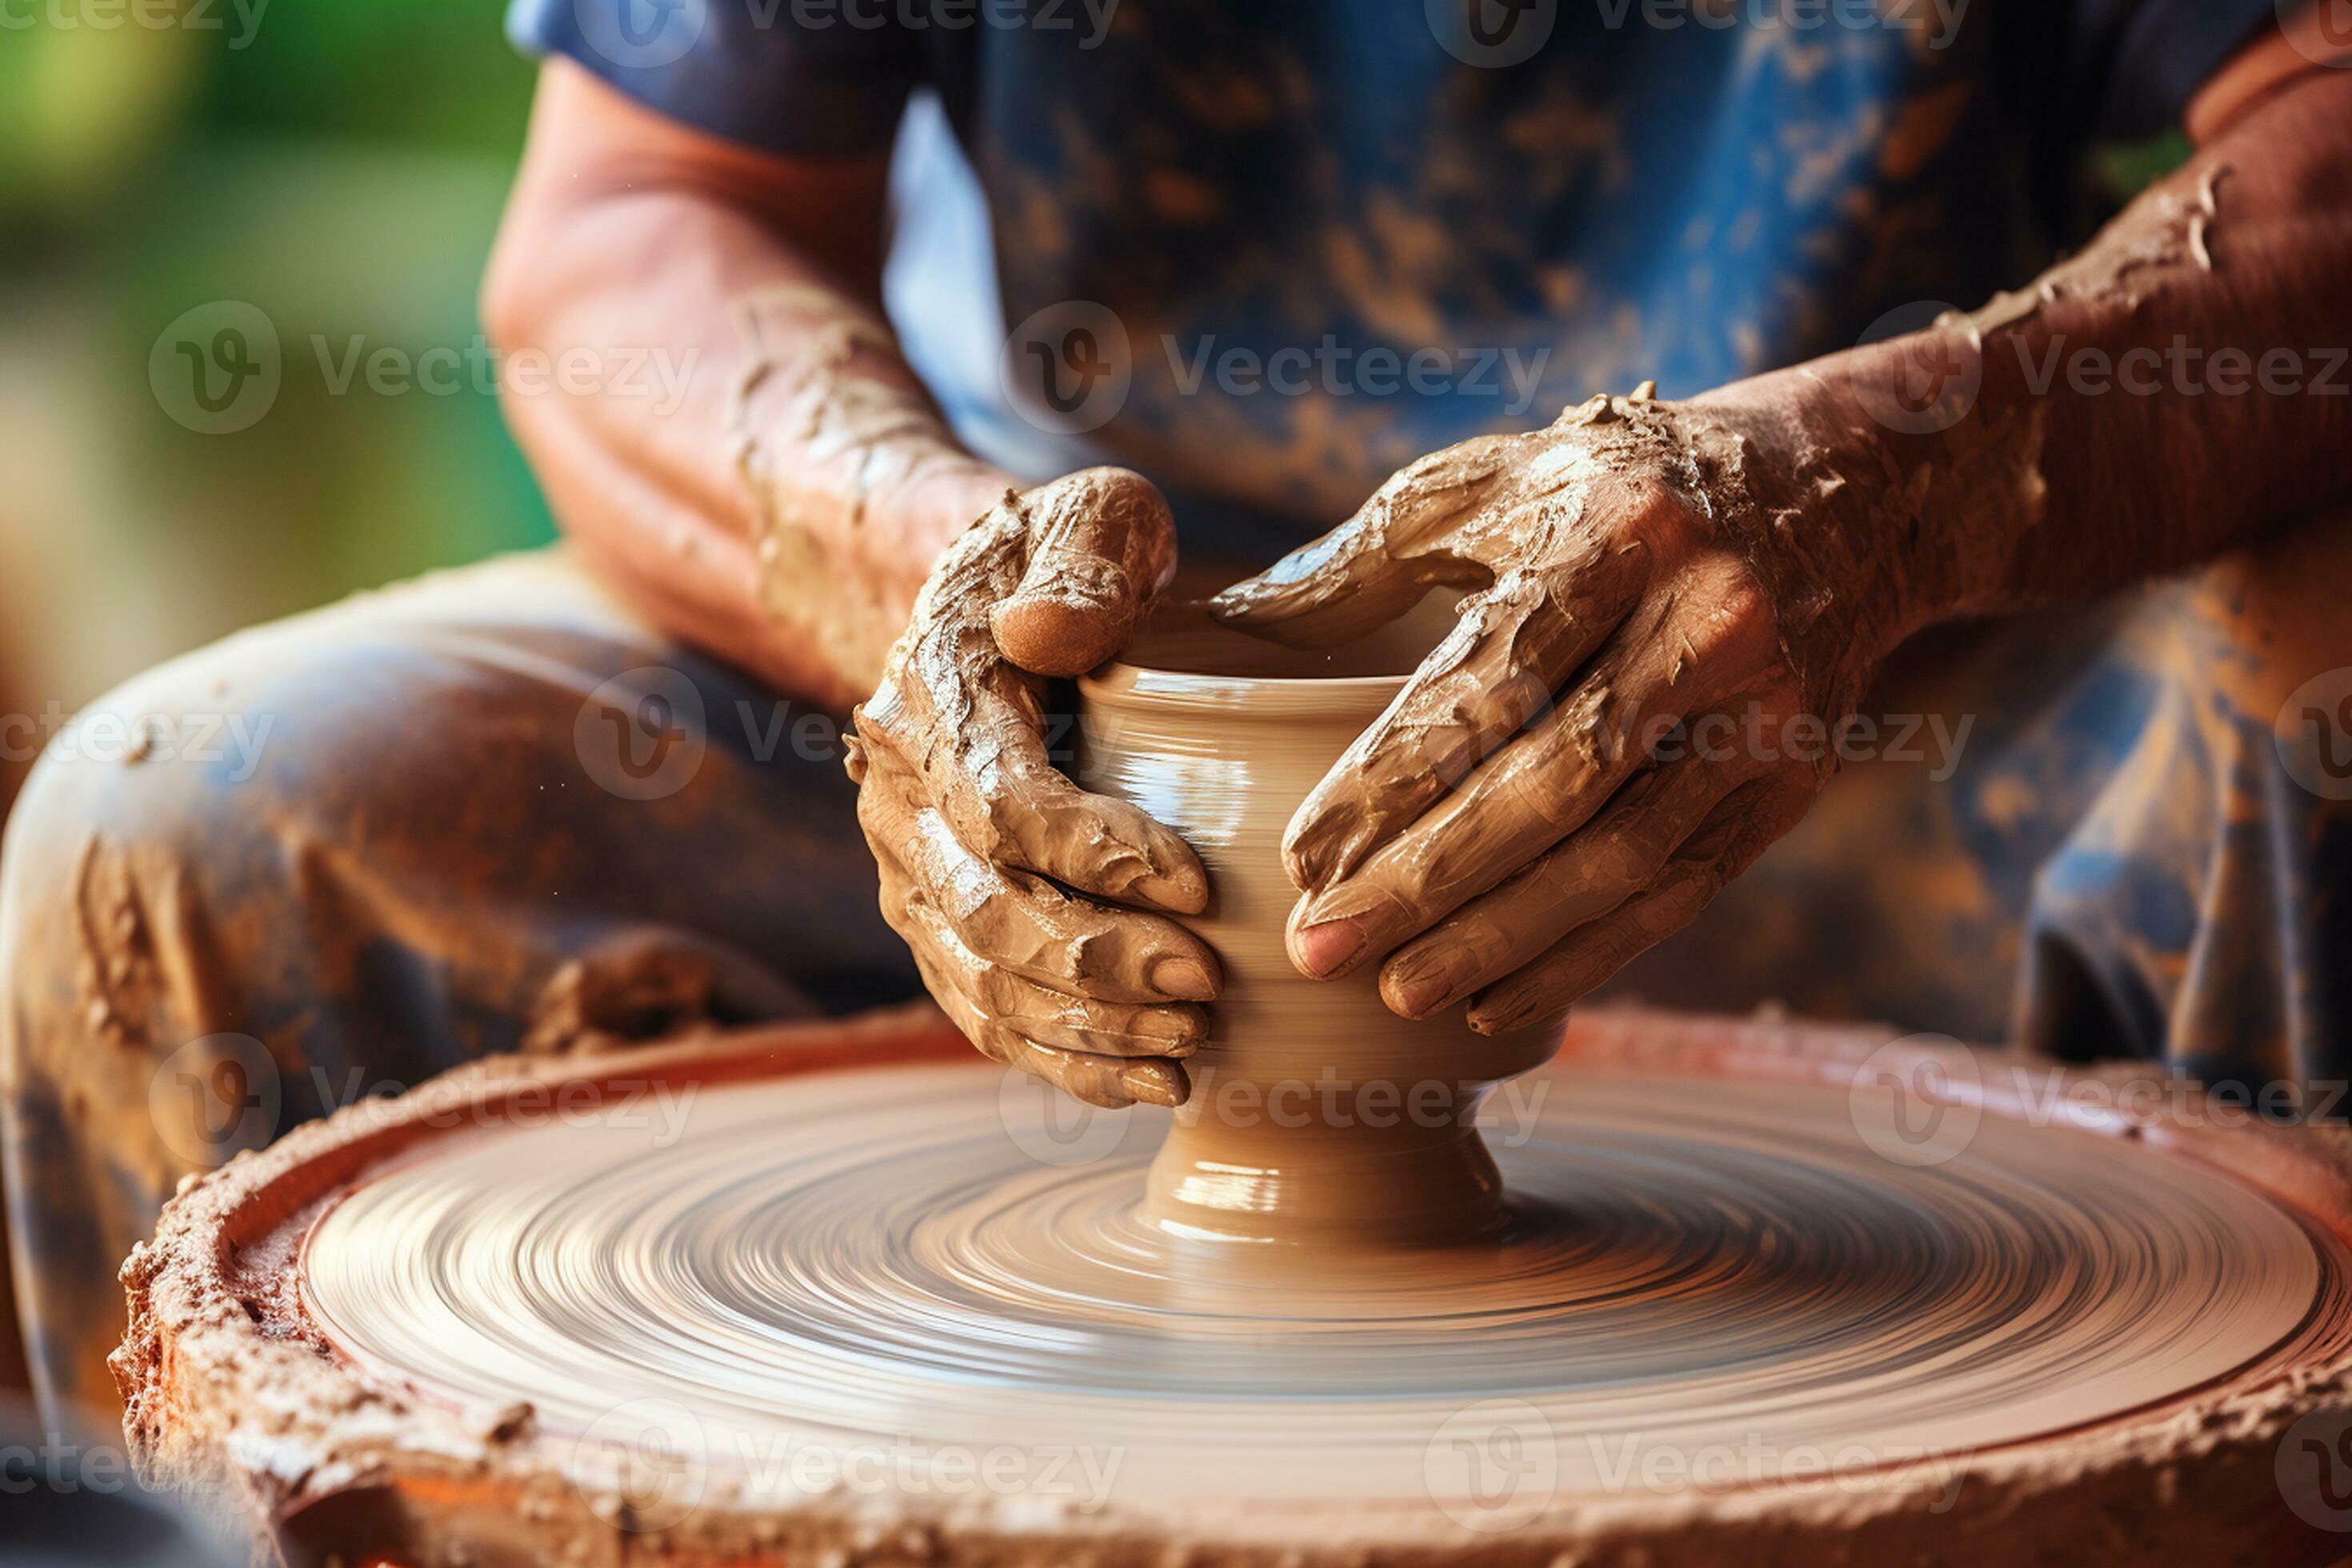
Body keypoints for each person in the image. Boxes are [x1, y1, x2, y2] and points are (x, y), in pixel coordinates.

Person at [4, 0, 2348, 1420]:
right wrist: (914, 570)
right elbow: (637, 223)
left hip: (1841, 684)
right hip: (1082, 718)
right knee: (188, 831)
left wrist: (1900, 478)